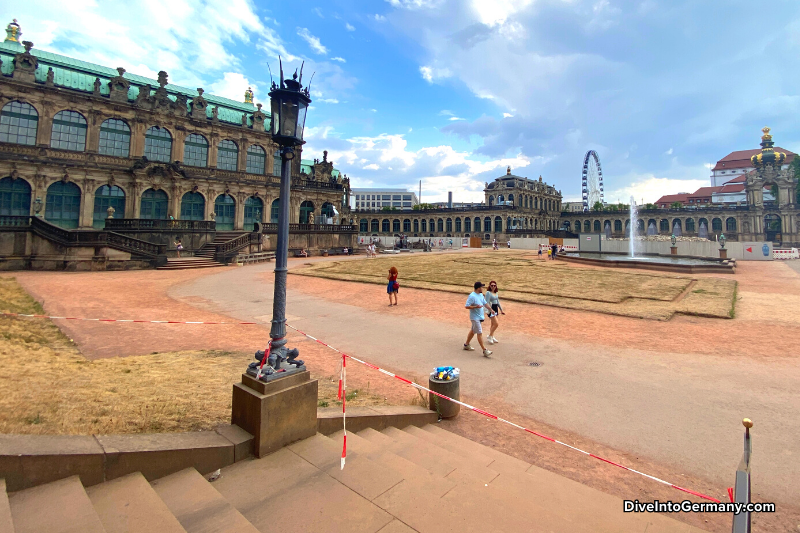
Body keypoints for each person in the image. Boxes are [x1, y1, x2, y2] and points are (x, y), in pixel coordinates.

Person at [464, 281, 493, 357]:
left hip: (480, 317)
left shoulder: (480, 295)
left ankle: (466, 344)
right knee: (479, 333)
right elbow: (467, 306)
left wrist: (491, 309)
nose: (482, 288)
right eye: (481, 287)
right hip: (474, 318)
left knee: (473, 331)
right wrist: (475, 307)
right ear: (478, 288)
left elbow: (485, 303)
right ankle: (484, 350)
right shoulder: (472, 296)